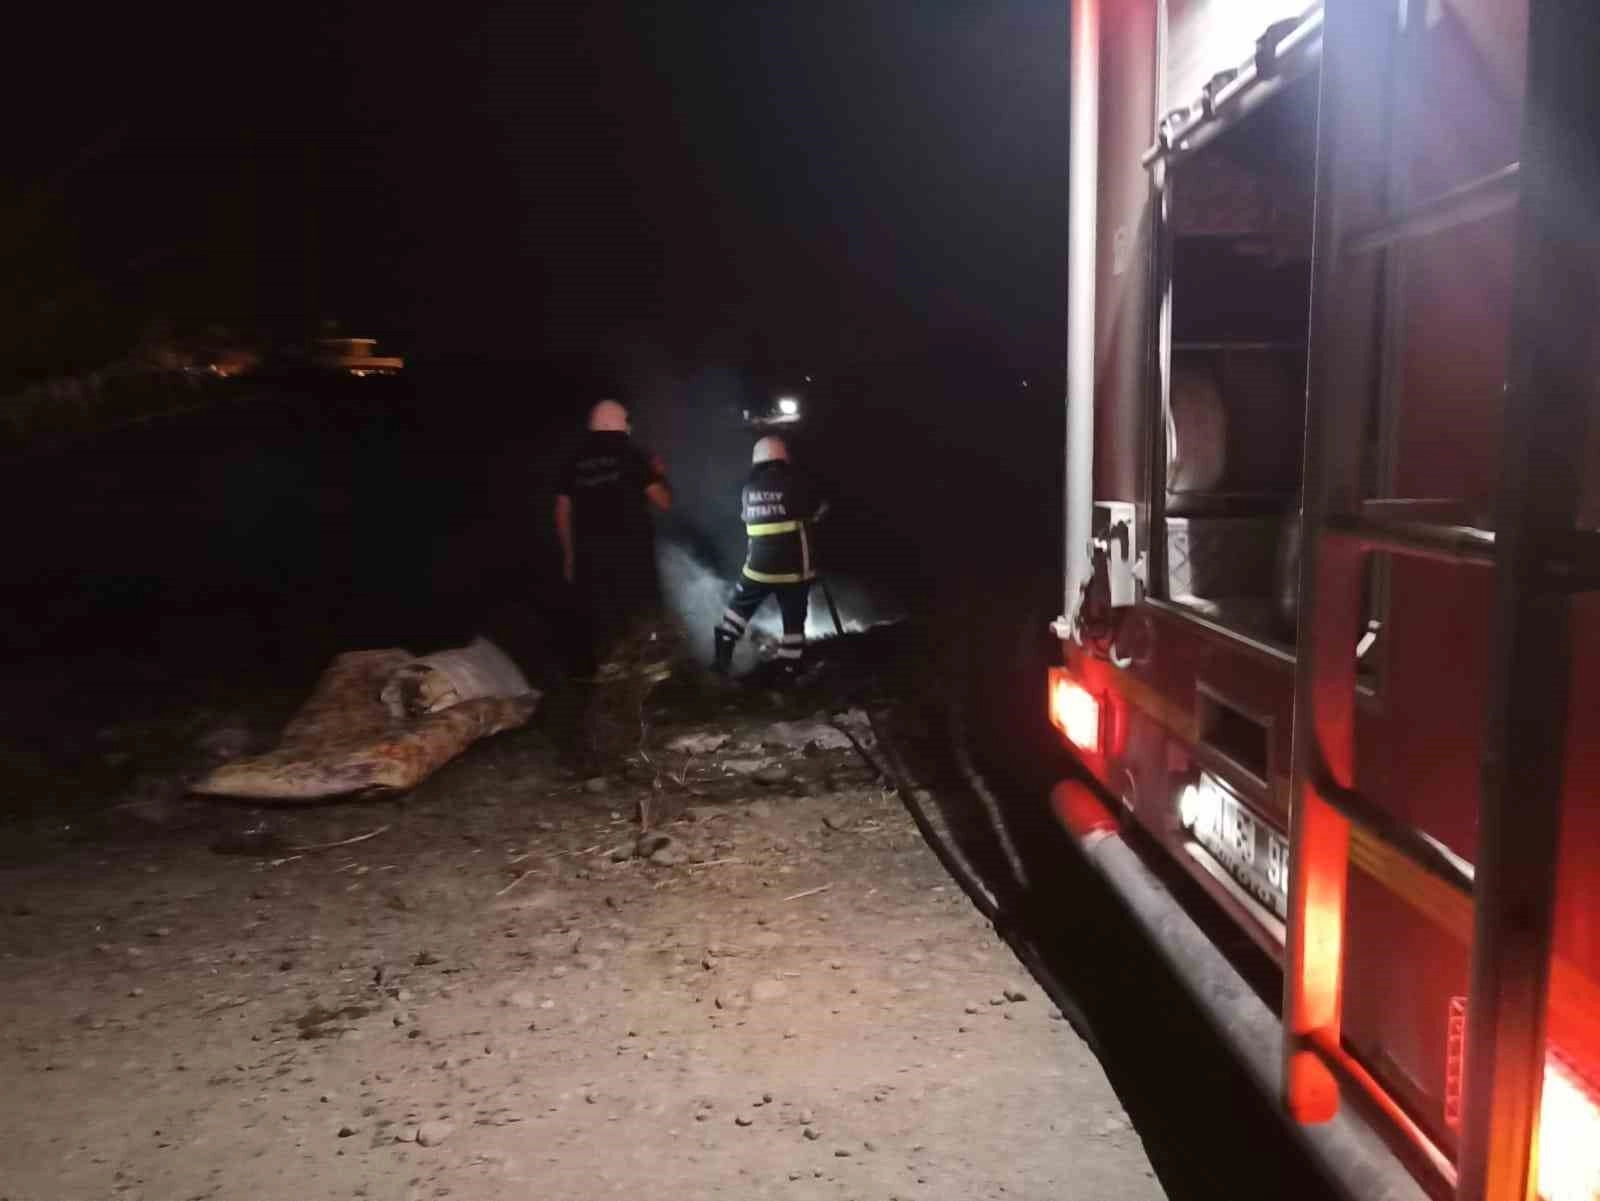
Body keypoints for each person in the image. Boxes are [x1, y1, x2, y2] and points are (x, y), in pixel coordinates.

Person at [553, 399, 674, 765]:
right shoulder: (633, 455)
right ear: (619, 422)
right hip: (632, 563)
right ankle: (642, 712)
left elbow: (562, 511)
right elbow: (663, 501)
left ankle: (605, 718)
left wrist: (570, 557)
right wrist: (659, 474)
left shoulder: (574, 459)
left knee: (604, 638)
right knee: (641, 630)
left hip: (592, 565)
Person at [712, 435, 828, 681]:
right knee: (793, 622)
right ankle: (788, 672)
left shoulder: (748, 490)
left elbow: (747, 517)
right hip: (794, 571)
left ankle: (720, 663)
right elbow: (818, 509)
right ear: (783, 457)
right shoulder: (797, 484)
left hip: (757, 570)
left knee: (737, 611)